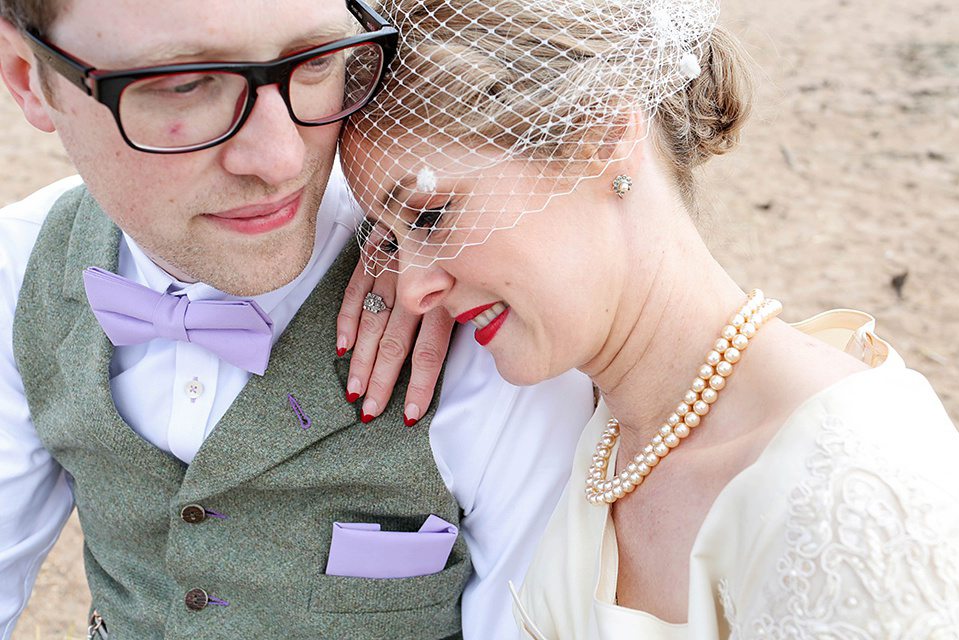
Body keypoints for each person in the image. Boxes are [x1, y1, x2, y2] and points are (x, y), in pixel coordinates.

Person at [339, 0, 959, 636]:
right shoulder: (593, 442)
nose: (412, 288)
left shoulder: (855, 483)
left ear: (602, 133)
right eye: (386, 240)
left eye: (428, 215)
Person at [0, 0, 595, 638]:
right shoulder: (21, 265)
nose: (282, 160)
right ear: (28, 76)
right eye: (185, 85)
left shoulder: (475, 312)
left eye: (315, 61)